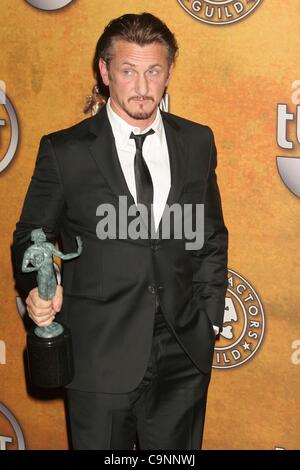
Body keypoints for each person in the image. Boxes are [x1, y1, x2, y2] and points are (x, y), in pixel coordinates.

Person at [12, 12, 228, 450]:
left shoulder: (197, 141)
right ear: (105, 71)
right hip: (99, 356)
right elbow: (30, 236)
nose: (143, 88)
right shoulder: (65, 151)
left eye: (154, 71)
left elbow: (209, 238)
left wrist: (207, 321)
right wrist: (38, 287)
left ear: (169, 71)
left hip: (182, 355)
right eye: (128, 71)